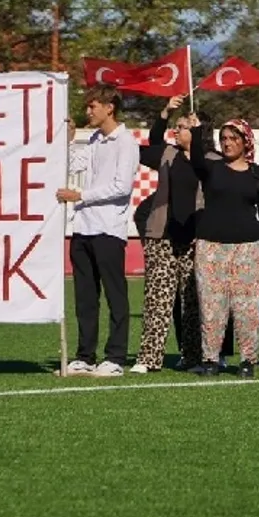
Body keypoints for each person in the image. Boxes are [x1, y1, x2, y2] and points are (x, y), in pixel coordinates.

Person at [56, 84, 139, 377]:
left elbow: (121, 187)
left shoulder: (125, 142)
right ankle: (85, 355)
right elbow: (74, 165)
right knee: (85, 297)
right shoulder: (94, 139)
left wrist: (81, 196)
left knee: (115, 295)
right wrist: (67, 142)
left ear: (109, 108)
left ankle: (115, 357)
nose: (88, 111)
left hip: (109, 228)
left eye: (93, 106)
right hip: (83, 226)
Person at [189, 117, 259, 378]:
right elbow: (196, 161)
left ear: (245, 141)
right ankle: (211, 359)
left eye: (233, 138)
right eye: (223, 139)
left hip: (248, 248)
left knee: (247, 308)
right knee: (211, 307)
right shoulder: (212, 168)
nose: (227, 143)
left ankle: (248, 360)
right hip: (211, 247)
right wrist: (196, 131)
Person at [131, 96, 205, 373]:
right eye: (177, 126)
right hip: (162, 236)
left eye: (183, 127)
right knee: (157, 299)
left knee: (192, 302)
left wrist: (199, 134)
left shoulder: (210, 161)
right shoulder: (168, 154)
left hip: (195, 239)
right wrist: (165, 113)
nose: (177, 131)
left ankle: (193, 357)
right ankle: (149, 358)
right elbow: (152, 144)